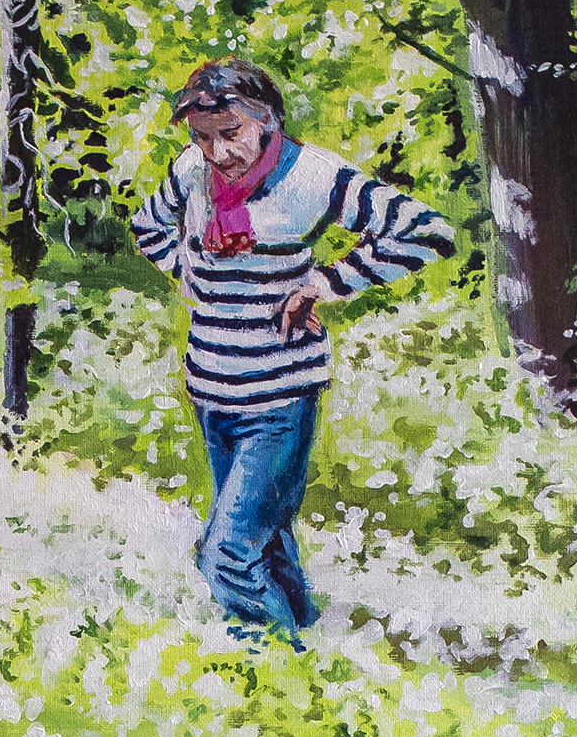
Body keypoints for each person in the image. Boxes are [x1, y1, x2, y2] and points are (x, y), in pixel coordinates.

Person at [133, 59, 455, 644]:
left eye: (230, 134)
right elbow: (148, 225)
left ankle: (267, 658)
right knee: (269, 537)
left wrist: (326, 284)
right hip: (211, 386)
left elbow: (427, 231)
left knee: (227, 551)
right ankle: (309, 650)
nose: (216, 152)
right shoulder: (192, 172)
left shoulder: (310, 175)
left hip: (279, 394)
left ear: (265, 120)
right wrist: (188, 276)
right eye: (203, 137)